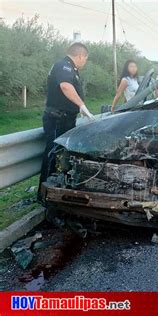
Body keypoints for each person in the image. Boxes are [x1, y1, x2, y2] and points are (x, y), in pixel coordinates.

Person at [38, 42, 94, 200]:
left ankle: (55, 190)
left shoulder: (70, 68)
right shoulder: (64, 66)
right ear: (81, 55)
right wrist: (82, 106)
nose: (84, 62)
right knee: (53, 153)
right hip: (57, 118)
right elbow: (66, 87)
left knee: (60, 154)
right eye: (85, 59)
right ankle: (44, 195)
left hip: (65, 118)